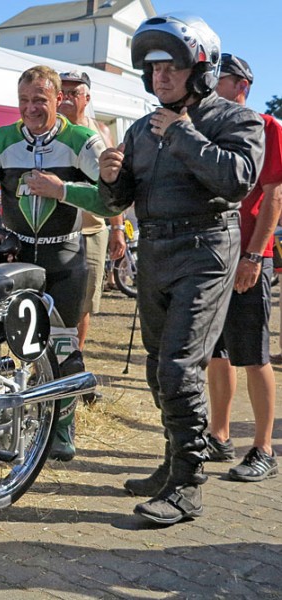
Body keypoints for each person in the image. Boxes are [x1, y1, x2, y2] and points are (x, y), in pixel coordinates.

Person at [90, 15, 264, 524]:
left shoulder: (235, 119)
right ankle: (171, 464)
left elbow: (237, 181)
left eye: (173, 66)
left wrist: (185, 135)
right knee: (155, 363)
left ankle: (188, 485)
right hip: (156, 251)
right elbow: (123, 198)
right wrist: (110, 180)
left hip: (207, 247)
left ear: (200, 69)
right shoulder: (143, 128)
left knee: (180, 366)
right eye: (154, 68)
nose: (161, 76)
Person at [0, 65, 107, 462]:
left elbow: (111, 197)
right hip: (16, 257)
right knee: (13, 341)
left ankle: (62, 429)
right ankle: (14, 417)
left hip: (65, 256)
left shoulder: (83, 141)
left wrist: (63, 189)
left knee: (64, 346)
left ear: (59, 99)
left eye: (40, 99)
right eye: (24, 100)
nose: (31, 108)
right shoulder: (2, 141)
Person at [205, 53, 280, 481]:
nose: (213, 87)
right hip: (213, 254)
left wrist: (254, 255)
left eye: (222, 80)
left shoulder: (268, 128)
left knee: (253, 354)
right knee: (217, 351)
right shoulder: (208, 126)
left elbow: (274, 197)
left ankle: (264, 448)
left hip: (250, 255)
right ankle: (219, 434)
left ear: (242, 87)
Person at [57, 70, 126, 353]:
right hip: (56, 229)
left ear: (87, 97)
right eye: (64, 92)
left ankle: (75, 359)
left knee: (85, 302)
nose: (68, 99)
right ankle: (45, 367)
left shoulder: (101, 131)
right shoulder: (50, 131)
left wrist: (118, 229)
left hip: (92, 229)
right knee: (54, 298)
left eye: (75, 93)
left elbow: (113, 184)